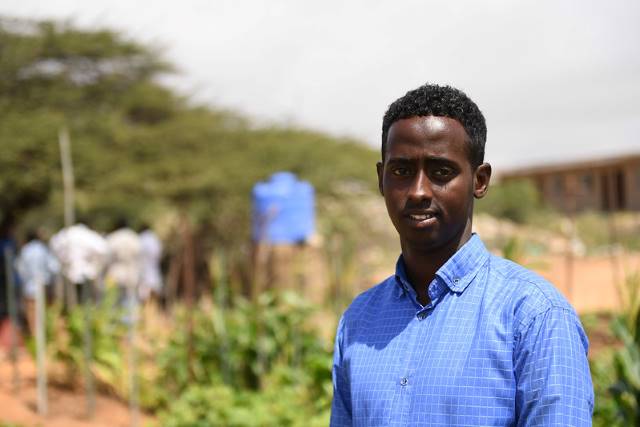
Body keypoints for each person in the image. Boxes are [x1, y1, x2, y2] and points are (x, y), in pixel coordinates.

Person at [330, 84, 593, 426]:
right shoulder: (359, 321)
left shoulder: (534, 316)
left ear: (479, 181)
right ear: (381, 179)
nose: (418, 191)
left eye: (441, 172)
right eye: (401, 171)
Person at [15, 229, 60, 334]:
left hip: (29, 288)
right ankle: (47, 335)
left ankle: (35, 336)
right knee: (45, 311)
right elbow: (54, 267)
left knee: (32, 313)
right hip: (44, 286)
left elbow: (19, 269)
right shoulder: (43, 249)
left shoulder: (25, 250)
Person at [138, 224, 163, 303]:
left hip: (144, 273)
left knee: (144, 298)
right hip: (153, 271)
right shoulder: (155, 238)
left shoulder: (141, 238)